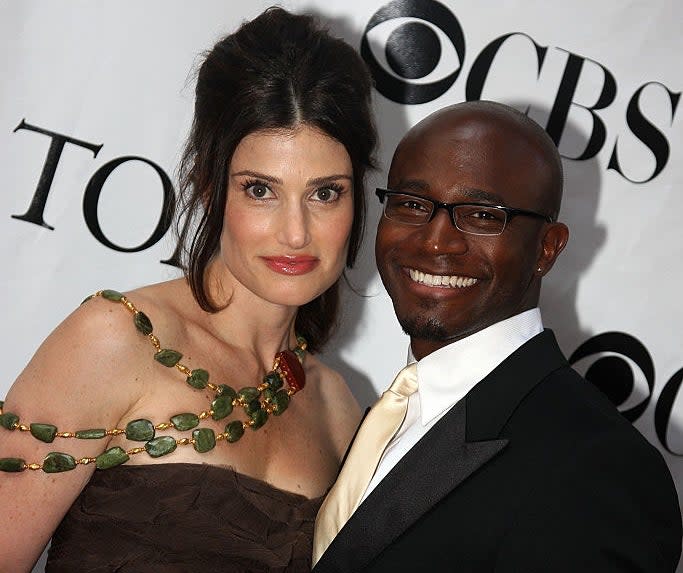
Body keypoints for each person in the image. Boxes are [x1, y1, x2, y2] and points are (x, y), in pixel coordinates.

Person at [0, 7, 377, 572]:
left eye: (325, 193)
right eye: (260, 190)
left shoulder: (337, 408)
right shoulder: (117, 340)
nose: (296, 232)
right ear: (209, 182)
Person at [312, 100, 682, 572]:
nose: (434, 240)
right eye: (411, 204)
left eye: (483, 215)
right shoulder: (386, 413)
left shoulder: (600, 470)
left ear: (547, 248)